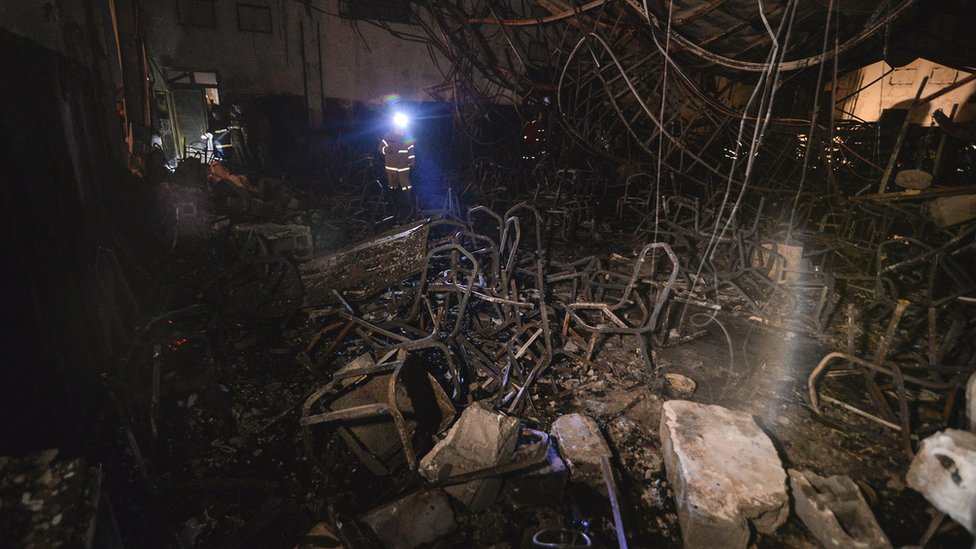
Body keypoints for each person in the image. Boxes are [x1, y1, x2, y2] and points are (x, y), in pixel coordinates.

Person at [380, 112, 416, 220]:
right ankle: (393, 203)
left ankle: (409, 203)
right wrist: (387, 149)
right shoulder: (388, 136)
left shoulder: (407, 136)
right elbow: (380, 148)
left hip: (403, 167)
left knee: (406, 185)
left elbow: (411, 150)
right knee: (392, 185)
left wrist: (412, 161)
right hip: (391, 167)